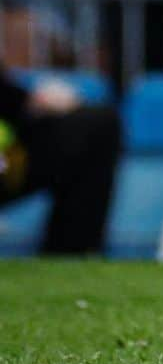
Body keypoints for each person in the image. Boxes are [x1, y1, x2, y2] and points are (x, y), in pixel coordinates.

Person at [0, 67, 120, 254]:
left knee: (95, 126)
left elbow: (8, 102)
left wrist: (32, 102)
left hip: (8, 158)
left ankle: (69, 259)